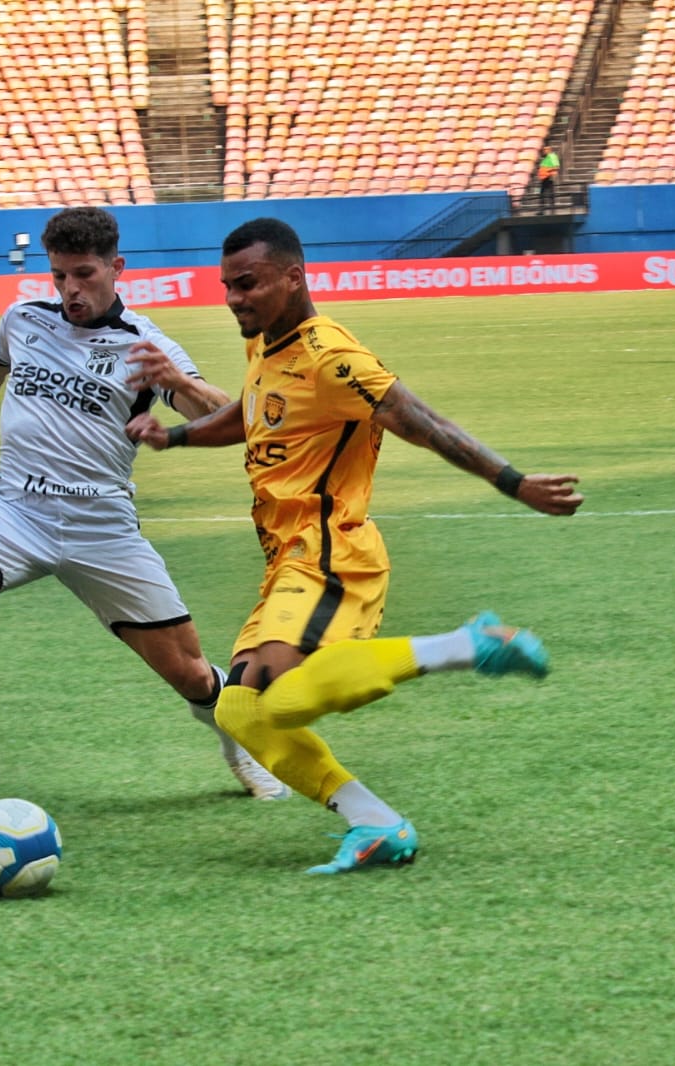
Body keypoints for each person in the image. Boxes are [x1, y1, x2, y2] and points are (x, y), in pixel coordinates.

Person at [126, 217, 583, 874]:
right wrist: (175, 436)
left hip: (330, 554)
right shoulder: (267, 346)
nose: (233, 299)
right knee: (240, 710)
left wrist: (512, 481)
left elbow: (420, 420)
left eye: (247, 284)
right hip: (288, 562)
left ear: (293, 277)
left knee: (284, 697)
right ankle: (375, 822)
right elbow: (253, 413)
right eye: (226, 286)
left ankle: (469, 644)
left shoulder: (331, 358)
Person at [0, 206, 290, 804]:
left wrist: (179, 382)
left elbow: (230, 418)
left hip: (102, 529)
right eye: (60, 275)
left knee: (191, 673)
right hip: (16, 511)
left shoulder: (144, 345)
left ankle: (238, 744)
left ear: (116, 268)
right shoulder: (24, 320)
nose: (70, 289)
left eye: (84, 274)